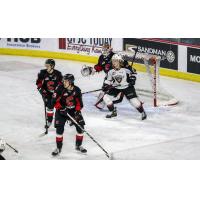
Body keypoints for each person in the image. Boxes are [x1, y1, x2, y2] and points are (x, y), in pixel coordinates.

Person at [51, 74, 87, 156]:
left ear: (71, 82)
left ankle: (78, 146)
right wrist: (61, 108)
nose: (64, 82)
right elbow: (53, 101)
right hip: (61, 111)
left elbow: (79, 103)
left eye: (66, 81)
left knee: (80, 128)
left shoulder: (77, 90)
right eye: (63, 81)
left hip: (73, 111)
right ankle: (58, 148)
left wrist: (77, 111)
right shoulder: (60, 89)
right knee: (59, 130)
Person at [103, 54, 147, 120]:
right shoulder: (111, 71)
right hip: (116, 87)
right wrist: (105, 85)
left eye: (116, 61)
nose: (114, 62)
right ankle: (113, 112)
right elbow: (108, 80)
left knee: (134, 101)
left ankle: (142, 112)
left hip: (127, 87)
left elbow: (134, 74)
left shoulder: (126, 69)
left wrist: (132, 80)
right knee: (105, 97)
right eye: (113, 61)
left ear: (120, 61)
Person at [36, 59, 63, 129]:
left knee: (61, 106)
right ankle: (50, 121)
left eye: (48, 66)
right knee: (49, 106)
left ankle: (67, 119)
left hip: (56, 93)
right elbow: (38, 83)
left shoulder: (58, 74)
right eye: (46, 65)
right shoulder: (42, 73)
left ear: (52, 66)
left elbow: (62, 84)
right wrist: (41, 90)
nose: (46, 67)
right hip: (47, 93)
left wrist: (59, 92)